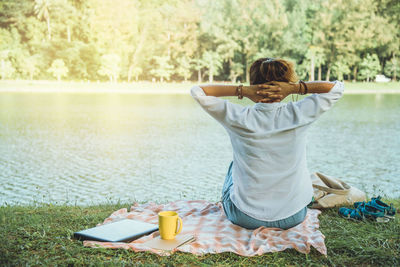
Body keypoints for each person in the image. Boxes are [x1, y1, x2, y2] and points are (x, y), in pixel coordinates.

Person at [190, 57, 344, 230]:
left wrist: (243, 91)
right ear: (285, 85)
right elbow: (337, 88)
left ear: (253, 83)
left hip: (245, 217)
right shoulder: (299, 113)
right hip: (294, 216)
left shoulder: (239, 117)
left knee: (233, 167)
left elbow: (197, 91)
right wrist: (296, 88)